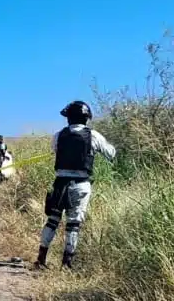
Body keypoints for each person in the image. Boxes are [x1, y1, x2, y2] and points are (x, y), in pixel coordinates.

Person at [35, 100, 116, 270]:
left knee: (52, 220)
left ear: (68, 118)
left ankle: (41, 259)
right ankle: (66, 263)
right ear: (86, 118)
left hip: (60, 184)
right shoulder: (94, 135)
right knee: (73, 224)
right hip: (81, 185)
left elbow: (55, 151)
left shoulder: (58, 135)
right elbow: (111, 154)